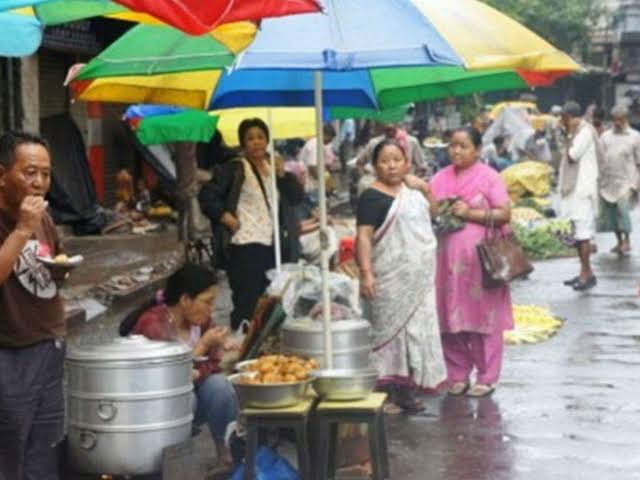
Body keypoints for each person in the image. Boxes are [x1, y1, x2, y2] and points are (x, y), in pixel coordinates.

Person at [356, 140, 446, 412]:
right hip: (389, 277)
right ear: (375, 166)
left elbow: (434, 214)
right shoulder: (370, 197)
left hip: (418, 278)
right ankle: (385, 391)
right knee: (388, 333)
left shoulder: (413, 192)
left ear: (407, 163)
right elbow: (364, 237)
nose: (392, 165)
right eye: (385, 161)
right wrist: (366, 273)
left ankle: (406, 391)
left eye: (397, 159)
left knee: (414, 332)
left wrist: (426, 189)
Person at [0, 131, 69, 479]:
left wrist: (60, 270)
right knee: (10, 452)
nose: (40, 182)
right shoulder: (24, 220)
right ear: (2, 176)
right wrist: (22, 229)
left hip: (49, 345)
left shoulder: (43, 216)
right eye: (29, 173)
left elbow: (52, 261)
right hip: (11, 353)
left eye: (45, 173)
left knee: (45, 450)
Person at [124, 263, 239, 466]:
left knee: (221, 386)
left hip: (188, 393)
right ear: (185, 300)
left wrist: (201, 368)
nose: (211, 309)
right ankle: (176, 463)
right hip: (154, 406)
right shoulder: (153, 325)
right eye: (207, 302)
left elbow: (213, 364)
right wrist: (202, 347)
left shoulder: (201, 322)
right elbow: (162, 379)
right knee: (187, 398)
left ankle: (225, 454)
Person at [431, 127, 513, 398]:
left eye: (463, 146)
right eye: (452, 145)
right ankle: (457, 374)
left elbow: (504, 214)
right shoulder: (439, 178)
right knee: (448, 319)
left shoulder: (490, 177)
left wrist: (469, 213)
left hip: (481, 264)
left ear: (477, 150)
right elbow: (429, 211)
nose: (456, 151)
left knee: (484, 319)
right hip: (446, 263)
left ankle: (487, 377)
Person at [199, 118, 304, 330]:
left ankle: (265, 342)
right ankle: (242, 342)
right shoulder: (234, 168)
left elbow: (295, 198)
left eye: (260, 137)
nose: (256, 142)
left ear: (267, 140)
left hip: (273, 245)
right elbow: (207, 196)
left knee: (272, 300)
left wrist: (283, 175)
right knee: (246, 301)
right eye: (250, 138)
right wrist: (225, 217)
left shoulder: (274, 167)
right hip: (244, 245)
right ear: (243, 143)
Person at [559, 101, 601, 291]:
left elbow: (572, 155)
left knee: (583, 235)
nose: (562, 122)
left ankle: (586, 274)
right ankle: (586, 272)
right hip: (575, 191)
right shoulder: (578, 131)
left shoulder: (584, 132)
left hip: (583, 190)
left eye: (563, 119)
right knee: (577, 234)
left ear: (568, 117)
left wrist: (568, 134)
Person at [598, 104, 640, 255]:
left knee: (623, 211)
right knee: (612, 214)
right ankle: (619, 241)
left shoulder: (635, 136)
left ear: (625, 119)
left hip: (627, 181)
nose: (617, 123)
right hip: (609, 181)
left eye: (620, 119)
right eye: (614, 119)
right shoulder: (605, 136)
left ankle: (627, 240)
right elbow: (600, 158)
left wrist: (637, 182)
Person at [355, 122, 426, 176]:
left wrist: (412, 181)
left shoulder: (411, 142)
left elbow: (422, 168)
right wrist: (366, 179)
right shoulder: (374, 143)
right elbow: (359, 163)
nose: (389, 125)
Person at [298, 123, 337, 207]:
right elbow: (312, 167)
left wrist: (328, 180)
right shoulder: (315, 145)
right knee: (317, 208)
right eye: (331, 138)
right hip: (309, 184)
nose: (330, 141)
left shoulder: (319, 144)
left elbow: (322, 166)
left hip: (313, 183)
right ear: (325, 134)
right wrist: (323, 183)